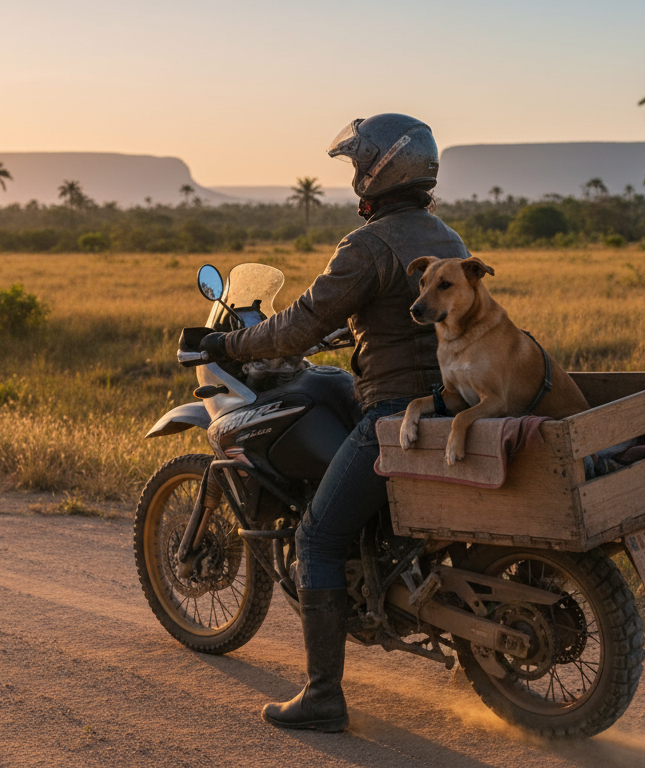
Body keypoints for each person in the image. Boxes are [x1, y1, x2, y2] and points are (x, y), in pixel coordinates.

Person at [198, 113, 470, 732]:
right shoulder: (446, 236)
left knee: (317, 537)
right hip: (449, 401)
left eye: (356, 165)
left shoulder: (368, 245)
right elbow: (399, 317)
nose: (353, 178)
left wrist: (229, 348)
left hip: (395, 409)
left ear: (377, 170)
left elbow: (297, 326)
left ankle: (323, 697)